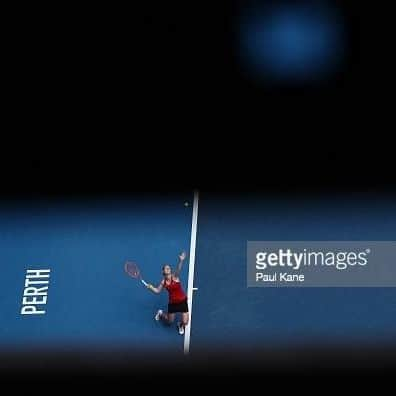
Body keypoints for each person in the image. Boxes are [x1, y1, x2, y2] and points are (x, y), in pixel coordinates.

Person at [147, 251, 189, 335]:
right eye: (166, 268)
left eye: (168, 268)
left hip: (182, 301)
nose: (168, 268)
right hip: (172, 303)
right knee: (169, 322)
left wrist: (181, 260)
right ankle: (161, 313)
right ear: (163, 272)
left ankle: (180, 325)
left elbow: (178, 269)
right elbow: (157, 291)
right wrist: (151, 287)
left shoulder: (175, 277)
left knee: (185, 322)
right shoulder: (163, 282)